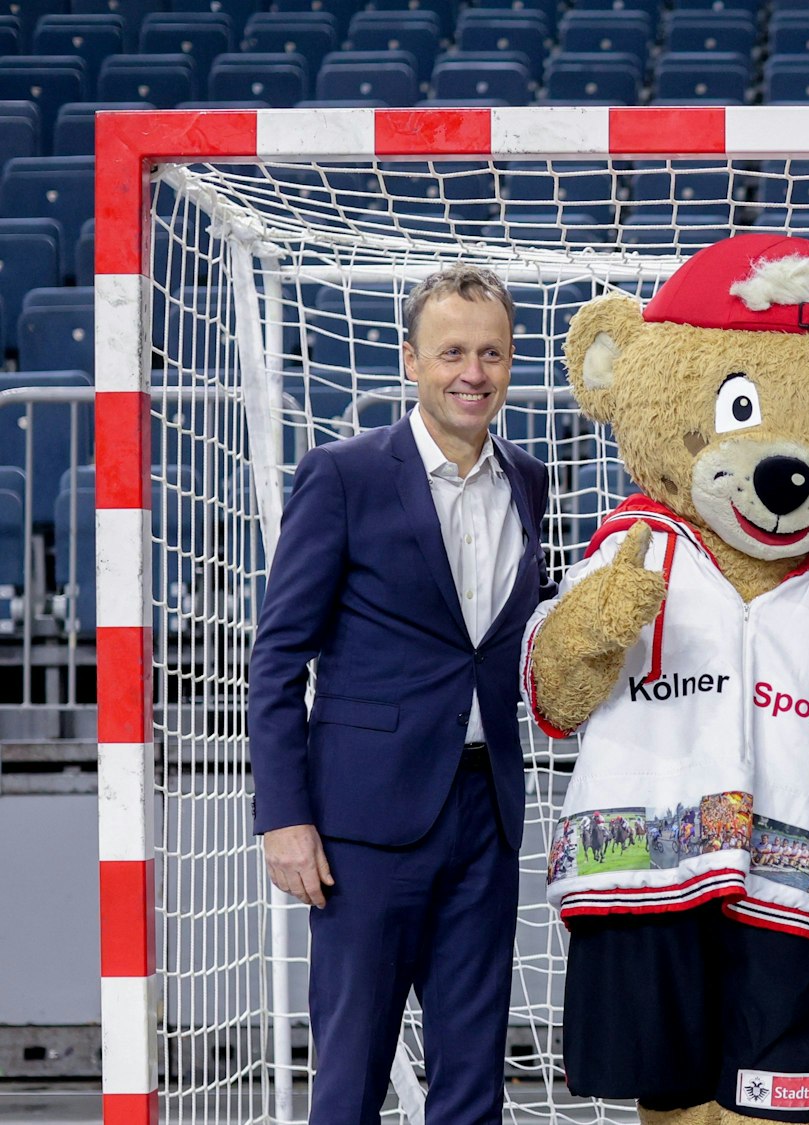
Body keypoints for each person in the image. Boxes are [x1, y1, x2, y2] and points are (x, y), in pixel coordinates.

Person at [249, 264, 552, 1124]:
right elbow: (276, 659)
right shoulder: (343, 474)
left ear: (512, 360)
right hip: (362, 824)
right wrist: (284, 815)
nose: (473, 371)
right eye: (453, 350)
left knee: (473, 1081)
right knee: (349, 1080)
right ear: (412, 359)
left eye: (491, 352)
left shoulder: (529, 482)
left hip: (484, 815)